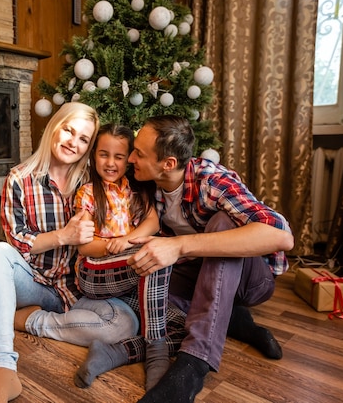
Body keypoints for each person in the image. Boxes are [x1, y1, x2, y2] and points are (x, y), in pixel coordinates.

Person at [77, 115, 294, 402]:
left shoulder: (212, 181)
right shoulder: (146, 184)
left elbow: (282, 236)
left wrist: (180, 245)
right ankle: (233, 322)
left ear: (167, 163)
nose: (130, 159)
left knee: (222, 223)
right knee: (153, 295)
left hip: (250, 281)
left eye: (138, 154)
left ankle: (193, 365)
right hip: (195, 275)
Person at [0, 102, 139, 403]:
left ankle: (29, 322)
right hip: (33, 283)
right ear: (55, 126)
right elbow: (17, 241)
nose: (73, 143)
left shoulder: (96, 181)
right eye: (69, 130)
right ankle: (2, 367)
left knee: (124, 323)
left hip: (79, 290)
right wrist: (63, 236)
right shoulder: (20, 179)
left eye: (83, 139)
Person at [72, 123, 175, 390]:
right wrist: (112, 246)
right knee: (156, 250)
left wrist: (126, 241)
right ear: (94, 155)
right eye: (103, 154)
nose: (110, 163)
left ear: (129, 158)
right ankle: (156, 351)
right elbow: (84, 247)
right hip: (93, 272)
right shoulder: (87, 193)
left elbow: (152, 222)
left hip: (126, 273)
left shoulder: (135, 189)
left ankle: (110, 354)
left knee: (183, 323)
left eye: (118, 156)